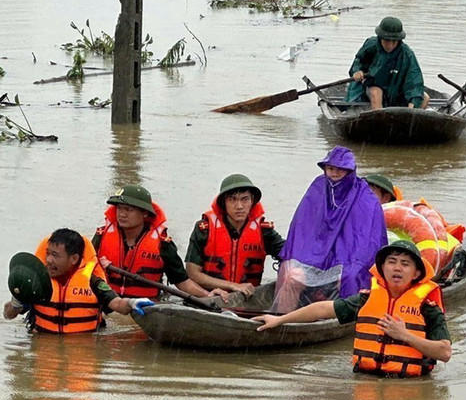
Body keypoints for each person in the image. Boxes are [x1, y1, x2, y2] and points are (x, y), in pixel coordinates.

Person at [254, 240, 451, 377]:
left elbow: (444, 353)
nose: (397, 268)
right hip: (365, 381)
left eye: (405, 264)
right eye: (391, 262)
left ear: (416, 273)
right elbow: (323, 309)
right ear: (382, 268)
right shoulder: (366, 299)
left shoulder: (428, 307)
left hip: (410, 387)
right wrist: (279, 320)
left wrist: (405, 335)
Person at [276, 146, 387, 303]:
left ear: (350, 171)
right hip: (313, 255)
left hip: (347, 258)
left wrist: (348, 262)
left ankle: (341, 317)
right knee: (290, 274)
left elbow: (367, 241)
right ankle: (281, 320)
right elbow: (302, 229)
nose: (335, 173)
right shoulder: (318, 188)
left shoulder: (366, 198)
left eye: (341, 169)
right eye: (331, 168)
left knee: (351, 276)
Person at [3, 228, 155, 334]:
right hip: (43, 345)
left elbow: (117, 304)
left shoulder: (92, 281)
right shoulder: (36, 282)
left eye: (55, 255)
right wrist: (17, 302)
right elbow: (8, 315)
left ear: (74, 259)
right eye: (47, 253)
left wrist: (132, 303)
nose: (48, 260)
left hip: (83, 349)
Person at [92, 184, 226, 300]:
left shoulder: (163, 244)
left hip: (145, 306)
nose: (122, 214)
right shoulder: (102, 236)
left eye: (129, 209)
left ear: (145, 213)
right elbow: (82, 269)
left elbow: (182, 282)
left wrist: (208, 296)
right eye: (120, 208)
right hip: (109, 302)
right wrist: (98, 267)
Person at [185, 174, 285, 297]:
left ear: (252, 201)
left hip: (247, 300)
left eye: (245, 199)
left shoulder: (264, 231)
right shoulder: (204, 229)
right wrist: (231, 285)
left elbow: (291, 254)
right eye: (232, 199)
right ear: (223, 203)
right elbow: (192, 273)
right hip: (211, 297)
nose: (239, 206)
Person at [345, 16, 429, 111]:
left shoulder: (407, 54)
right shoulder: (371, 46)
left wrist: (412, 107)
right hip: (374, 86)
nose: (391, 45)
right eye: (387, 41)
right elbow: (358, 61)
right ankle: (379, 120)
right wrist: (357, 71)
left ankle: (408, 121)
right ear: (380, 38)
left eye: (394, 41)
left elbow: (414, 80)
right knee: (376, 92)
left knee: (424, 97)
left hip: (397, 90)